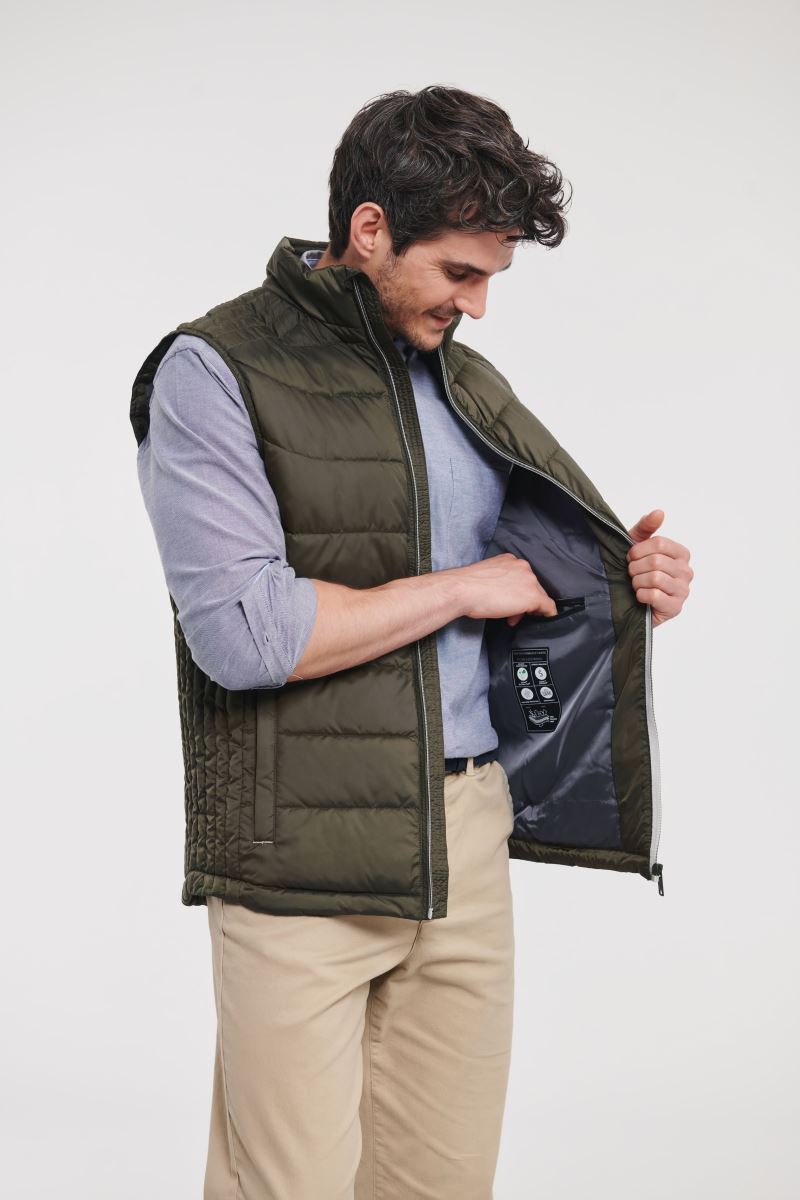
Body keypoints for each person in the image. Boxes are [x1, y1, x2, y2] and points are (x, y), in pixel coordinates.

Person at [131, 84, 692, 1200]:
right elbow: (243, 634)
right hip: (301, 855)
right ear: (370, 228)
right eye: (459, 273)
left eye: (491, 278)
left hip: (465, 838)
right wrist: (458, 589)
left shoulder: (460, 377)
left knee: (443, 1185)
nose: (478, 305)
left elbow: (524, 571)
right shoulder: (214, 369)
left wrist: (625, 582)